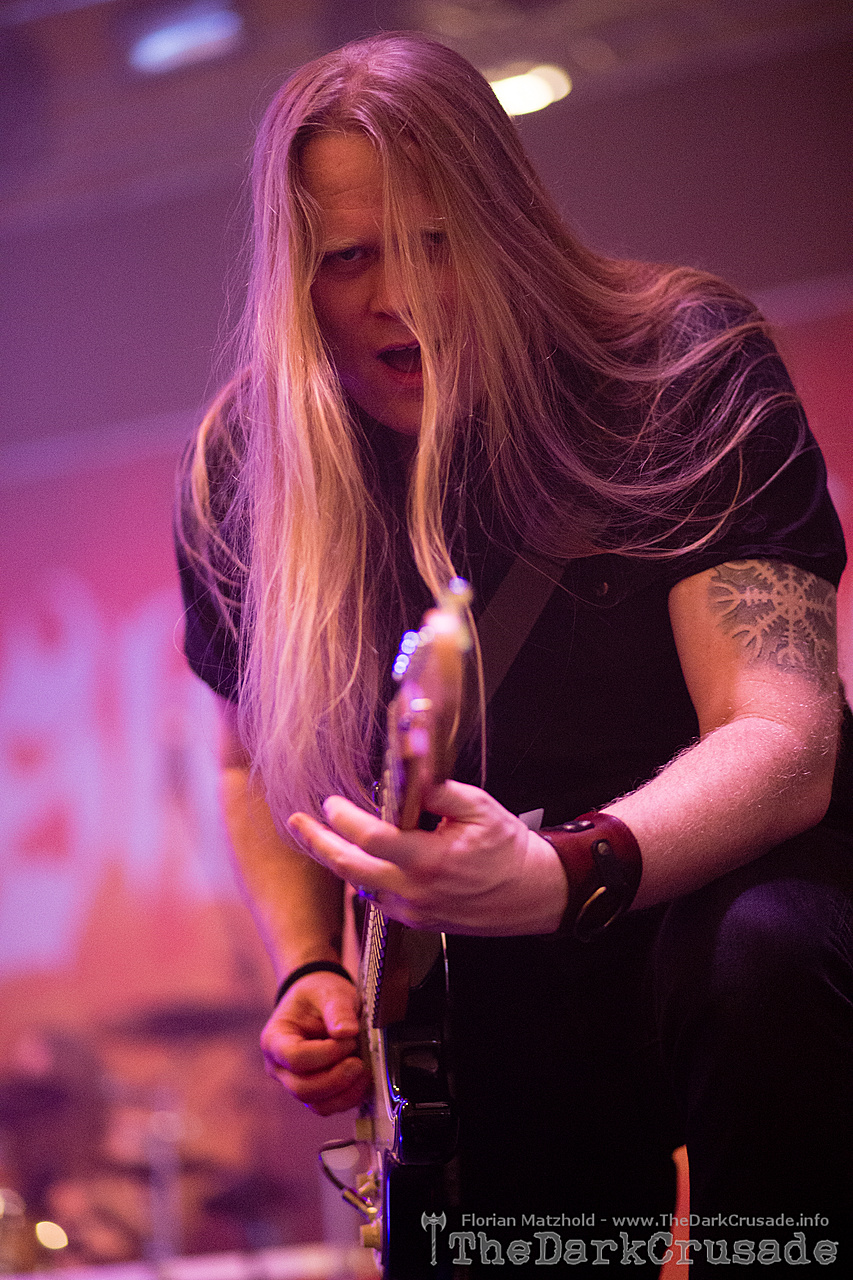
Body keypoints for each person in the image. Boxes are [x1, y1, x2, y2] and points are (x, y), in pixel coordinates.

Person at [176, 32, 853, 1274]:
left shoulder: (676, 365)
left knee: (768, 950)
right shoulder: (245, 464)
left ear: (508, 225)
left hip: (722, 927)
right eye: (349, 256)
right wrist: (310, 963)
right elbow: (245, 754)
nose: (397, 297)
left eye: (435, 239)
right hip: (489, 997)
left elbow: (784, 734)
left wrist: (559, 872)